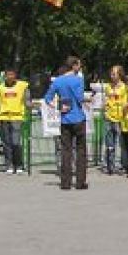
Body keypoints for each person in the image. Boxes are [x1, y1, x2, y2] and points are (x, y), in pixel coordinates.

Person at [43, 56, 88, 190]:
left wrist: (58, 107)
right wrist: (87, 100)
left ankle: (65, 182)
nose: (80, 68)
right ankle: (80, 182)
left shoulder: (58, 81)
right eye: (79, 65)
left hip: (65, 119)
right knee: (80, 151)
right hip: (78, 118)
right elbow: (80, 98)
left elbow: (47, 98)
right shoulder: (78, 80)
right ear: (73, 66)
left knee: (66, 151)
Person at [0, 69, 29, 174]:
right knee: (6, 143)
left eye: (12, 75)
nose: (10, 77)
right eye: (8, 75)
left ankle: (18, 164)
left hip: (16, 117)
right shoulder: (0, 87)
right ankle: (8, 164)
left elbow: (27, 99)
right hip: (3, 117)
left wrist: (29, 103)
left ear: (15, 75)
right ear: (5, 76)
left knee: (16, 142)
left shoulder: (22, 85)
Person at [102, 66, 127, 175]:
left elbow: (126, 102)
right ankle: (110, 166)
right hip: (109, 117)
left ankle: (124, 165)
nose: (112, 75)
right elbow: (106, 100)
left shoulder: (124, 87)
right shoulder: (108, 87)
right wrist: (105, 108)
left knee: (122, 144)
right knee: (109, 144)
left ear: (120, 74)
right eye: (111, 73)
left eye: (115, 73)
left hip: (120, 118)